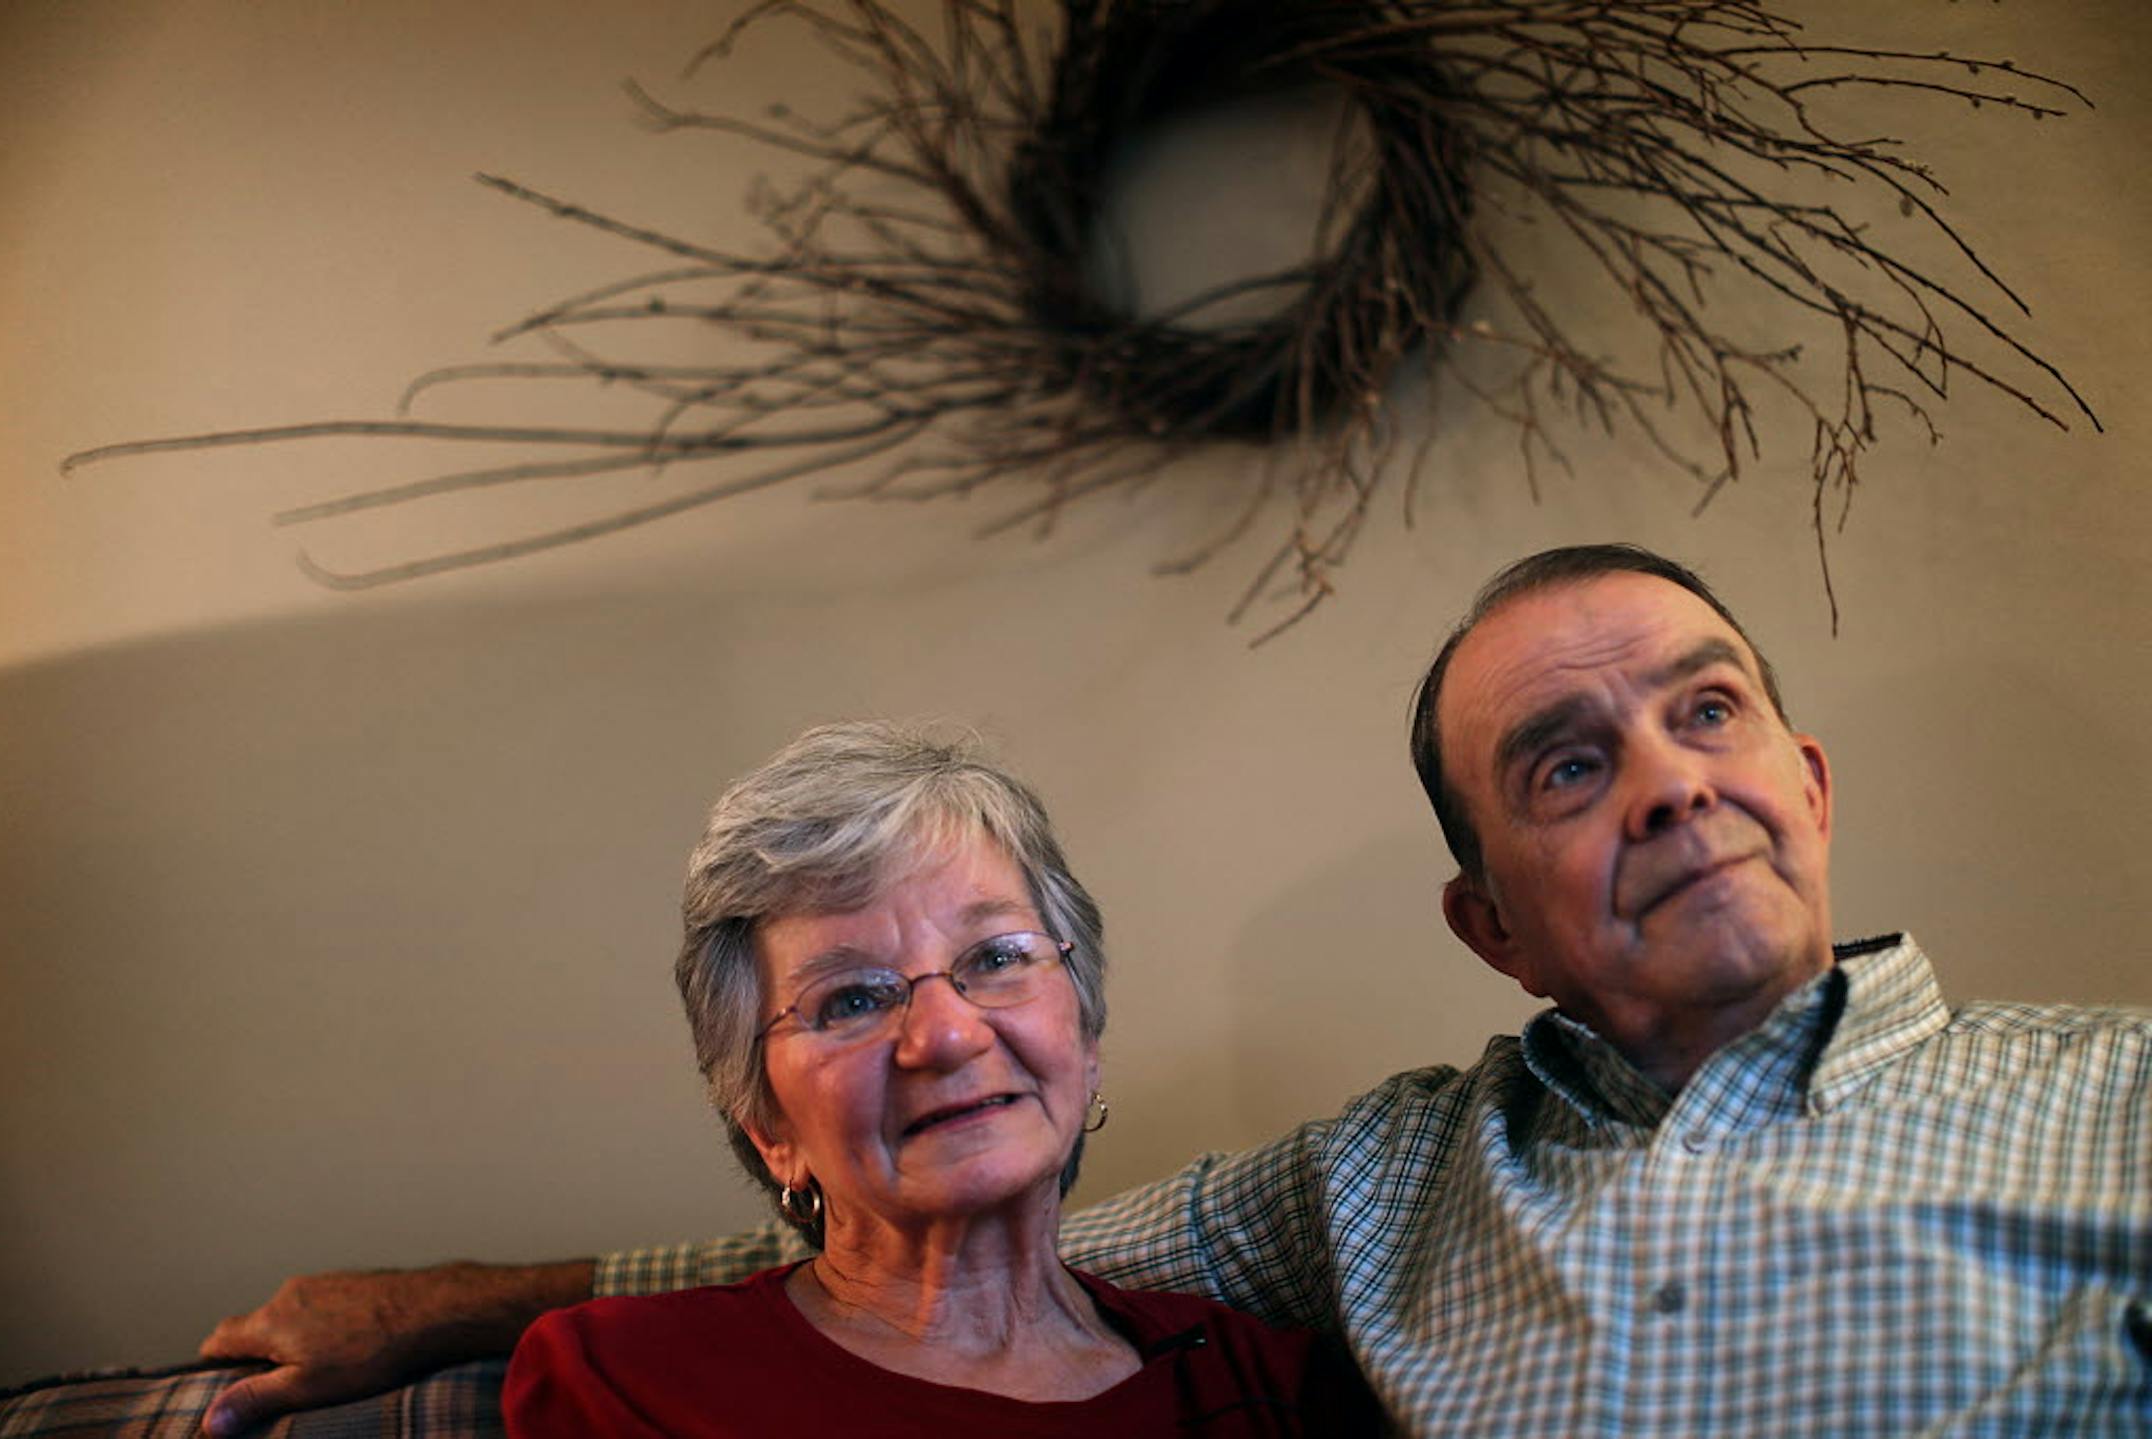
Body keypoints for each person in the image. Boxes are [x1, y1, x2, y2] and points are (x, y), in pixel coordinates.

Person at [199, 545, 2152, 1436]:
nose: (1666, 776)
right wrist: (444, 1302)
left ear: (1807, 783)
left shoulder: (2124, 1099)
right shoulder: (1381, 1183)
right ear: (1492, 924)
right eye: (1569, 760)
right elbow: (905, 1246)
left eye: (1708, 707)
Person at [498, 721, 1375, 1435]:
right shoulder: (628, 1379)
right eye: (849, 1000)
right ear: (770, 1127)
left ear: (1086, 1034)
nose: (948, 1033)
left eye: (995, 956)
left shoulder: (1263, 1387)